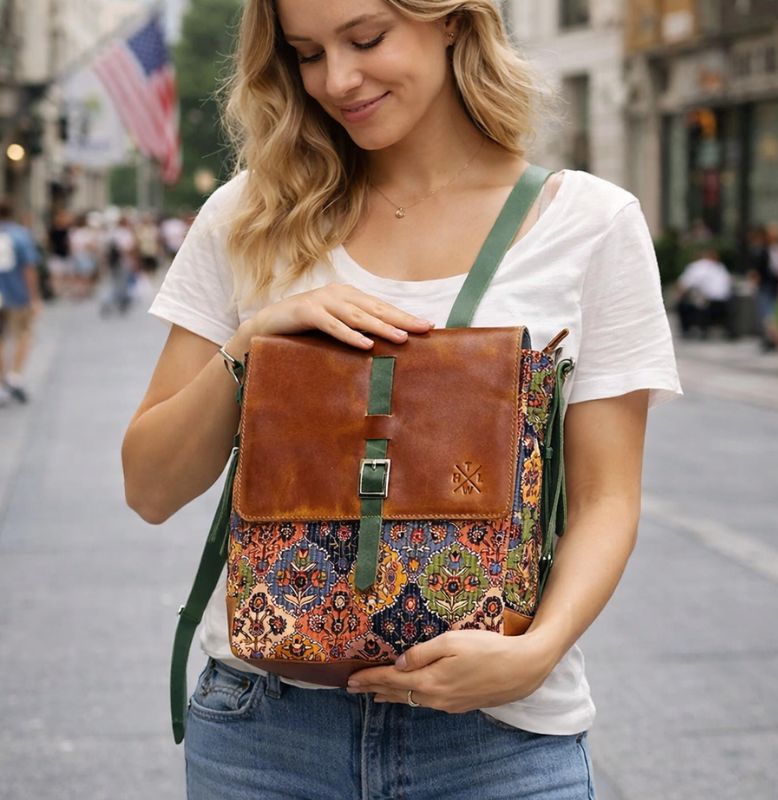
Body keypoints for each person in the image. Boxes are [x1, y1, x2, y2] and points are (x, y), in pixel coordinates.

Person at [122, 2, 681, 798]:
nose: (337, 80)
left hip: (499, 740)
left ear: (452, 19)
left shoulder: (590, 224)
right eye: (307, 53)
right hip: (264, 732)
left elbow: (607, 496)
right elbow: (148, 488)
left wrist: (539, 649)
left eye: (367, 38)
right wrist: (252, 347)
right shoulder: (250, 215)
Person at [0, 199, 41, 405]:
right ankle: (15, 375)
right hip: (17, 295)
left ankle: (1, 383)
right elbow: (29, 268)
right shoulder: (20, 235)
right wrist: (34, 297)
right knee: (23, 334)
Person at [675, 247, 733, 338]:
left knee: (682, 304)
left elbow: (684, 284)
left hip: (709, 303)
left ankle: (687, 330)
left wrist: (680, 296)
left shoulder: (698, 266)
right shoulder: (721, 267)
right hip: (724, 303)